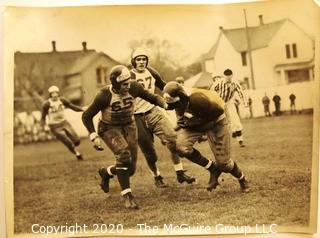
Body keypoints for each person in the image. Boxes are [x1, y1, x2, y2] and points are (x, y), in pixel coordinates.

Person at [82, 65, 168, 209]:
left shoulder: (134, 87)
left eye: (129, 82)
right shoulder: (104, 95)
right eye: (124, 84)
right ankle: (127, 196)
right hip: (109, 128)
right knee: (123, 155)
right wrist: (93, 135)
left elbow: (151, 97)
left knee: (131, 169)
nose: (128, 86)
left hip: (129, 125)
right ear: (115, 84)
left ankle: (106, 172)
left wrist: (165, 104)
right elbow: (86, 115)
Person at [163, 82, 250, 193]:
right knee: (181, 147)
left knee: (223, 163)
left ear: (181, 97)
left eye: (176, 104)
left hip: (217, 121)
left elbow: (218, 112)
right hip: (197, 122)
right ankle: (212, 168)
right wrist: (172, 130)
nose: (175, 107)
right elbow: (182, 118)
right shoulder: (177, 99)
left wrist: (196, 124)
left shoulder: (197, 99)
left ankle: (242, 178)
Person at [130, 47, 195, 187]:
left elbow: (164, 86)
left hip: (153, 110)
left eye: (144, 59)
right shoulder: (129, 77)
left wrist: (175, 95)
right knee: (150, 153)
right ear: (133, 61)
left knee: (172, 138)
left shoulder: (151, 72)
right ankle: (157, 176)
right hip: (136, 116)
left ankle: (180, 172)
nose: (141, 62)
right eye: (138, 59)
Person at [41, 85, 84, 161]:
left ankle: (71, 146)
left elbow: (72, 107)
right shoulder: (47, 104)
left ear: (58, 93)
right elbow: (43, 117)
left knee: (77, 141)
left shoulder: (62, 100)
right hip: (54, 125)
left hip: (64, 122)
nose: (55, 95)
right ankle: (77, 154)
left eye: (56, 93)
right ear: (50, 95)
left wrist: (83, 109)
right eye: (52, 93)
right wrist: (44, 127)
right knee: (68, 142)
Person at [210, 69, 248, 147]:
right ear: (224, 77)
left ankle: (240, 140)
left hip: (229, 102)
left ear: (231, 76)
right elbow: (211, 93)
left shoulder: (235, 82)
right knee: (219, 121)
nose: (228, 80)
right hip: (219, 102)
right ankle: (219, 140)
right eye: (227, 78)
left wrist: (246, 105)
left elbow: (241, 93)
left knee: (235, 119)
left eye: (229, 78)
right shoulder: (218, 83)